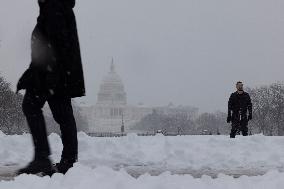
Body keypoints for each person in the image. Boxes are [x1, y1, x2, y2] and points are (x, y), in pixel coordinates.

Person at [16, 0, 85, 175]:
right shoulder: (54, 5)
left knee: (32, 106)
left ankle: (44, 158)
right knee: (63, 114)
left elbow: (56, 41)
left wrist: (48, 74)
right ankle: (68, 160)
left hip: (51, 72)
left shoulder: (54, 5)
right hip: (56, 71)